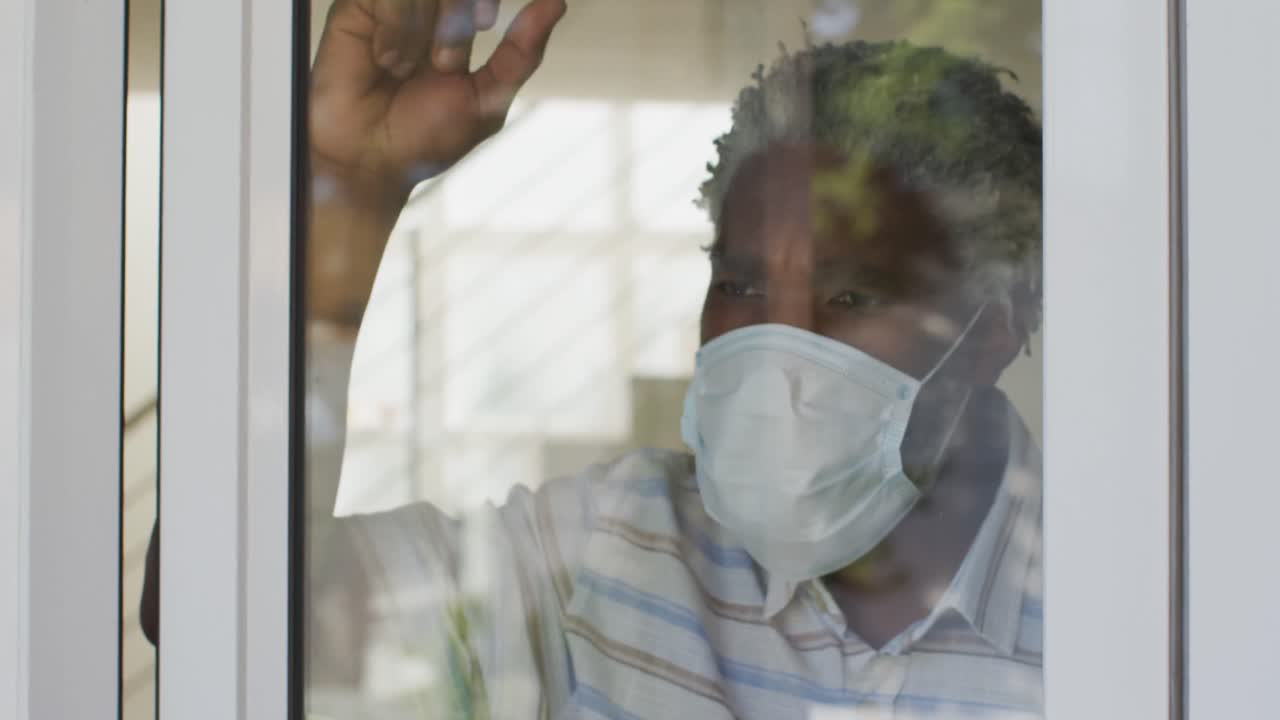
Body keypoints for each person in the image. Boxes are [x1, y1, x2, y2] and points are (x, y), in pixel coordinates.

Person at [145, 0, 1045, 716]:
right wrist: (350, 191)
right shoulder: (620, 544)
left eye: (852, 297)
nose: (782, 345)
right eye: (739, 286)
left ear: (993, 326)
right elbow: (206, 609)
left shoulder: (1137, 606)